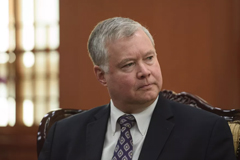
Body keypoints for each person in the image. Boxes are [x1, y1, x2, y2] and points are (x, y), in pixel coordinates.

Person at [38, 17, 236, 160]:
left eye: (149, 58)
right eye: (129, 65)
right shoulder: (64, 135)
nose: (145, 72)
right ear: (101, 76)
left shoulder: (206, 131)